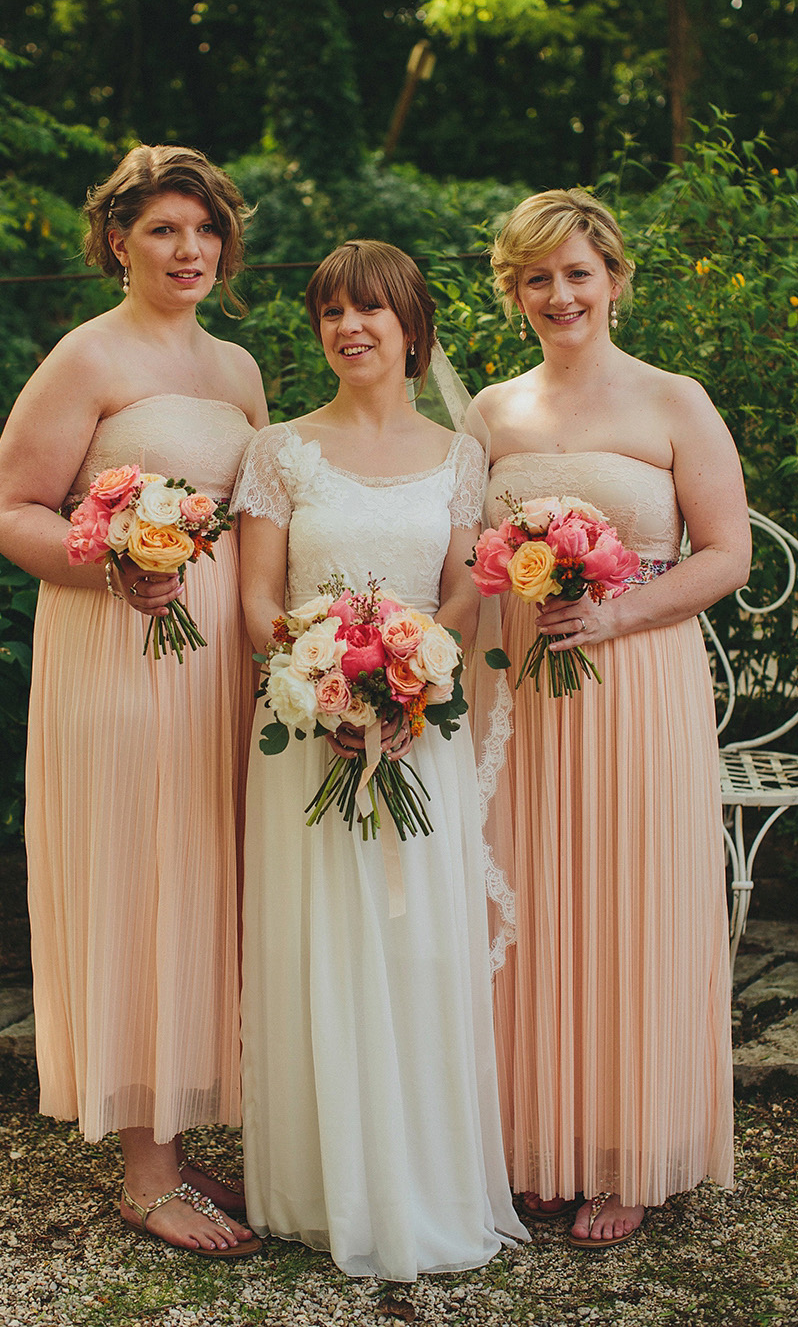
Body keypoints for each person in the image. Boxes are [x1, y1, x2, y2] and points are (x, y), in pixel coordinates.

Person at [0, 144, 268, 1256]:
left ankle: (178, 1138)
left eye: (205, 230)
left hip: (216, 673)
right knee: (141, 878)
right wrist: (108, 564)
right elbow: (11, 507)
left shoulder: (239, 371)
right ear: (119, 241)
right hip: (119, 655)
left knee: (202, 879)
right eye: (163, 230)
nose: (189, 250)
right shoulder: (86, 357)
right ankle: (145, 1179)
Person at [234, 240, 526, 1279]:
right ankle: (322, 1186)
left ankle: (427, 1184)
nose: (348, 328)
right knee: (317, 943)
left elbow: (462, 591)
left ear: (412, 327)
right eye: (330, 312)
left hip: (419, 728)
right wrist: (319, 687)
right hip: (306, 737)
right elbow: (258, 600)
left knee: (418, 950)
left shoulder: (460, 456)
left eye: (370, 310)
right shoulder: (278, 450)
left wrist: (411, 680)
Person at [471, 189, 750, 1248]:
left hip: (637, 683)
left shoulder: (675, 401)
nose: (559, 294)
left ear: (616, 280)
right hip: (521, 688)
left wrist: (619, 609)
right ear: (514, 293)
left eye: (577, 273)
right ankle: (537, 1144)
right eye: (536, 278)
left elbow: (728, 553)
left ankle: (629, 1149)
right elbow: (462, 553)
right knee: (529, 900)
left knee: (629, 899)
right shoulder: (494, 413)